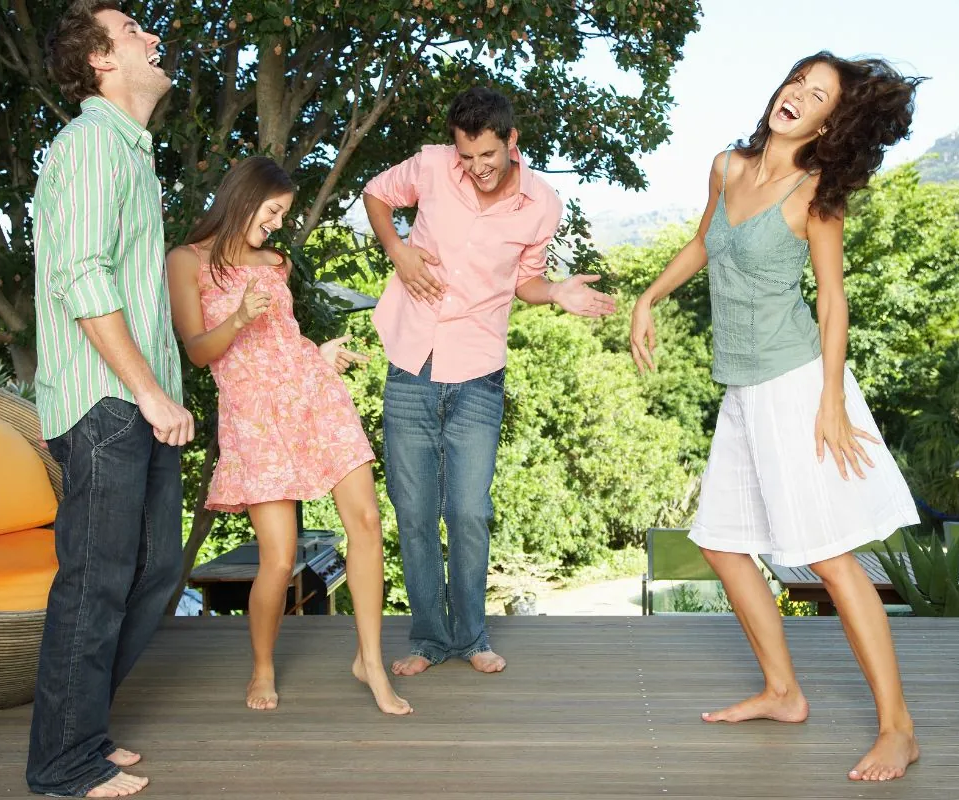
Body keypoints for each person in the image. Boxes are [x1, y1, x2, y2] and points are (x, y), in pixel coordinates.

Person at [629, 52, 926, 782]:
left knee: (828, 556)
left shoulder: (817, 191)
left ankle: (900, 728)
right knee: (725, 543)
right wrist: (648, 297)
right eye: (798, 81)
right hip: (742, 388)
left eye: (819, 95)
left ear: (831, 119)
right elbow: (705, 242)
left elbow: (831, 301)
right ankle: (784, 692)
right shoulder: (728, 167)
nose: (799, 96)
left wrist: (830, 401)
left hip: (797, 386)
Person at [363, 87, 617, 676]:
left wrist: (556, 292)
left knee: (470, 510)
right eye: (467, 156)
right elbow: (376, 194)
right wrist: (399, 250)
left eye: (488, 156)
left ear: (512, 142)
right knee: (415, 510)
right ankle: (429, 639)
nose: (476, 168)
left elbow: (527, 281)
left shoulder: (541, 204)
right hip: (410, 361)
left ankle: (472, 636)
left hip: (478, 370)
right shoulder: (429, 166)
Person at [165, 157, 411, 717]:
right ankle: (263, 666)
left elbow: (284, 341)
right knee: (277, 558)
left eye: (283, 214)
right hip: (255, 418)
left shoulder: (274, 262)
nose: (277, 224)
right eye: (273, 211)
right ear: (244, 198)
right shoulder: (186, 261)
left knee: (368, 523)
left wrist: (321, 356)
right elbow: (199, 352)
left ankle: (370, 660)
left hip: (314, 396)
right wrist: (237, 320)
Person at [28, 2, 192, 797]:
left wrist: (163, 393)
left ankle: (82, 728)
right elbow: (83, 280)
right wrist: (151, 392)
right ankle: (61, 763)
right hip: (106, 402)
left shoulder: (130, 155)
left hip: (138, 400)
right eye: (133, 32)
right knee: (94, 581)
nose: (153, 38)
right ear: (99, 60)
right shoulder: (91, 146)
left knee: (157, 567)